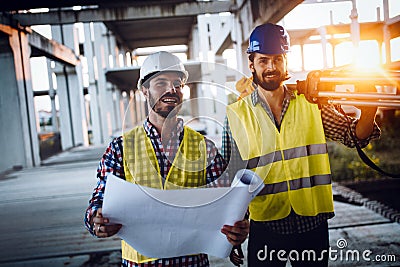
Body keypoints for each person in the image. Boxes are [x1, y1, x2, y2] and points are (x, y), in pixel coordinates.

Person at [222, 23, 381, 266]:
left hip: (311, 225)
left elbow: (354, 136)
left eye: (277, 59)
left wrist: (369, 110)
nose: (271, 67)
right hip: (266, 226)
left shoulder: (311, 103)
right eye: (263, 60)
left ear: (286, 61)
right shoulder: (236, 115)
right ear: (251, 64)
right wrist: (233, 236)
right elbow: (233, 178)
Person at [84, 51, 249, 267]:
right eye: (161, 83)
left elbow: (230, 201)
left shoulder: (204, 148)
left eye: (177, 83)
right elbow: (97, 203)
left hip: (192, 263)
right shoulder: (121, 148)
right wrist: (96, 221)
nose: (171, 90)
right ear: (144, 90)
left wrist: (239, 227)